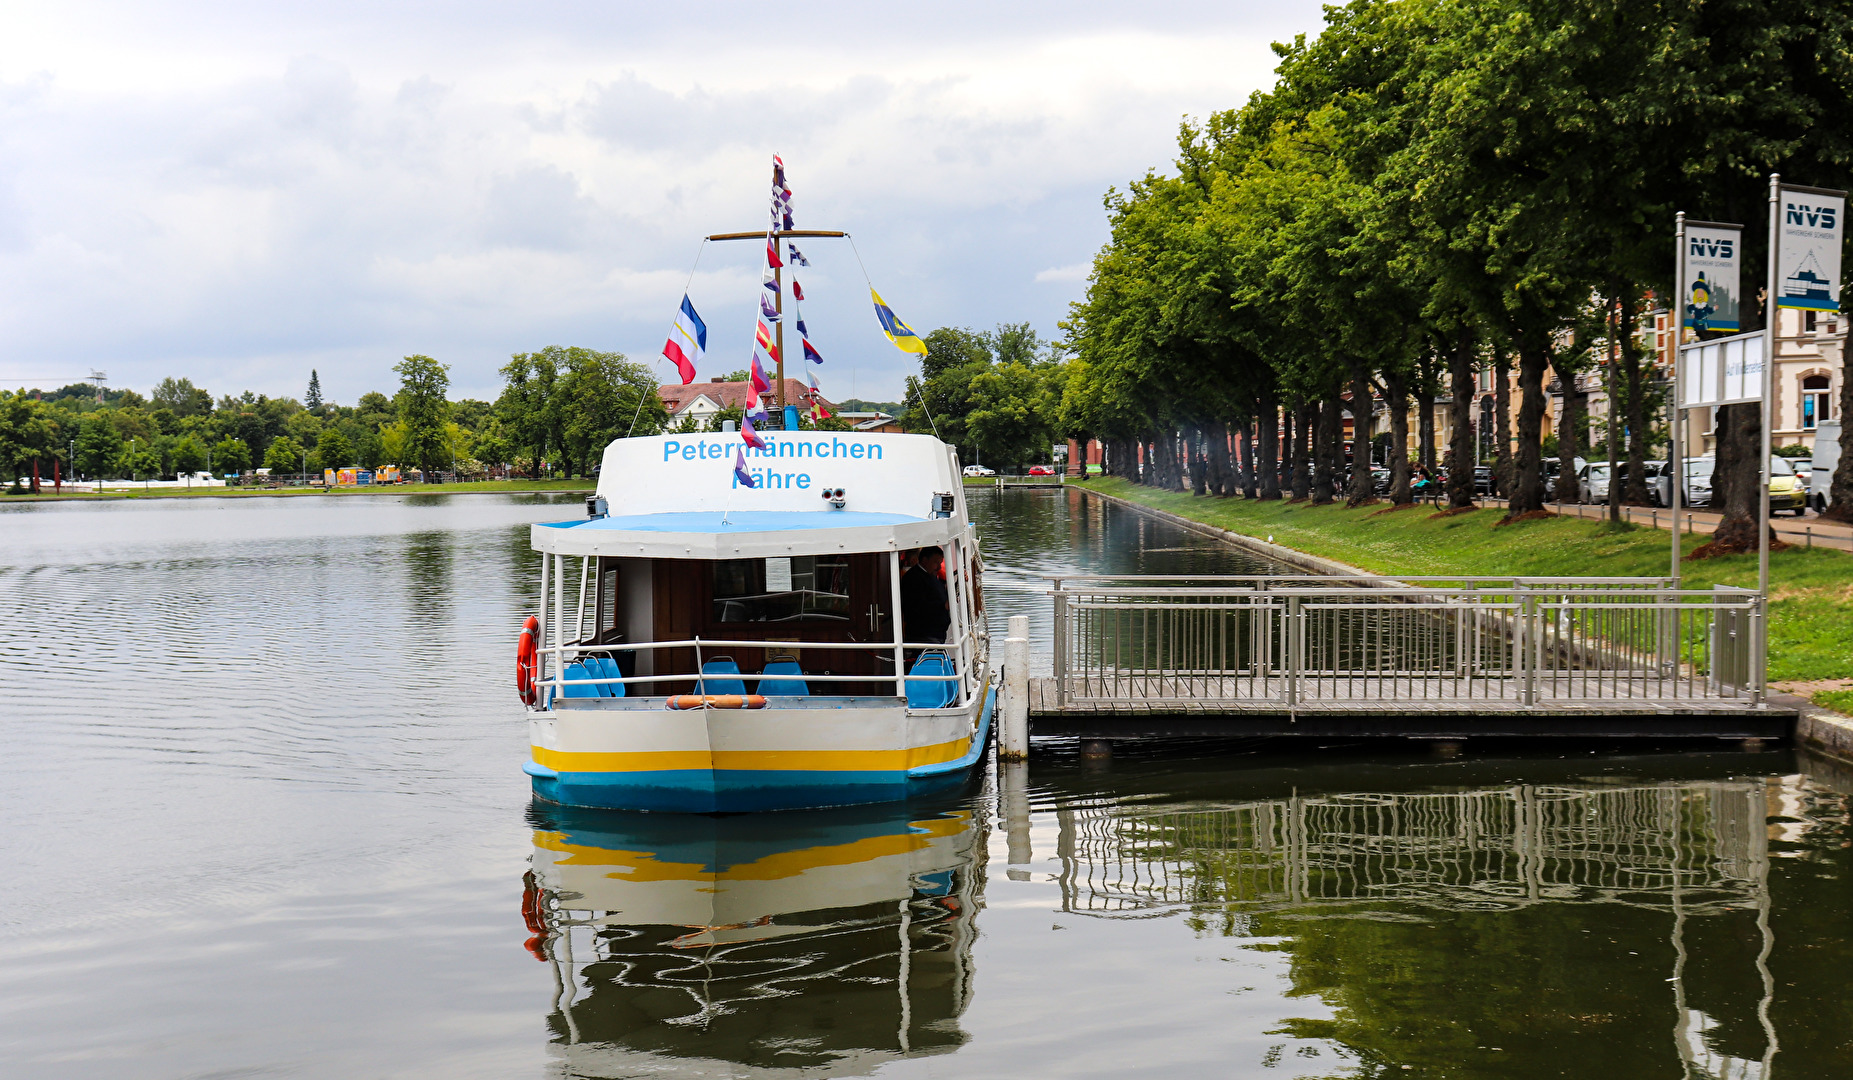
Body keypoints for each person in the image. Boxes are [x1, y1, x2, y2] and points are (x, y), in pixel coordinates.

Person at [900, 546, 950, 647]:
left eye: (940, 563)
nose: (939, 567)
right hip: (923, 636)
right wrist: (943, 606)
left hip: (933, 635)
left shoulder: (929, 576)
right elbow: (916, 606)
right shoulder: (913, 579)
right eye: (936, 563)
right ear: (924, 560)